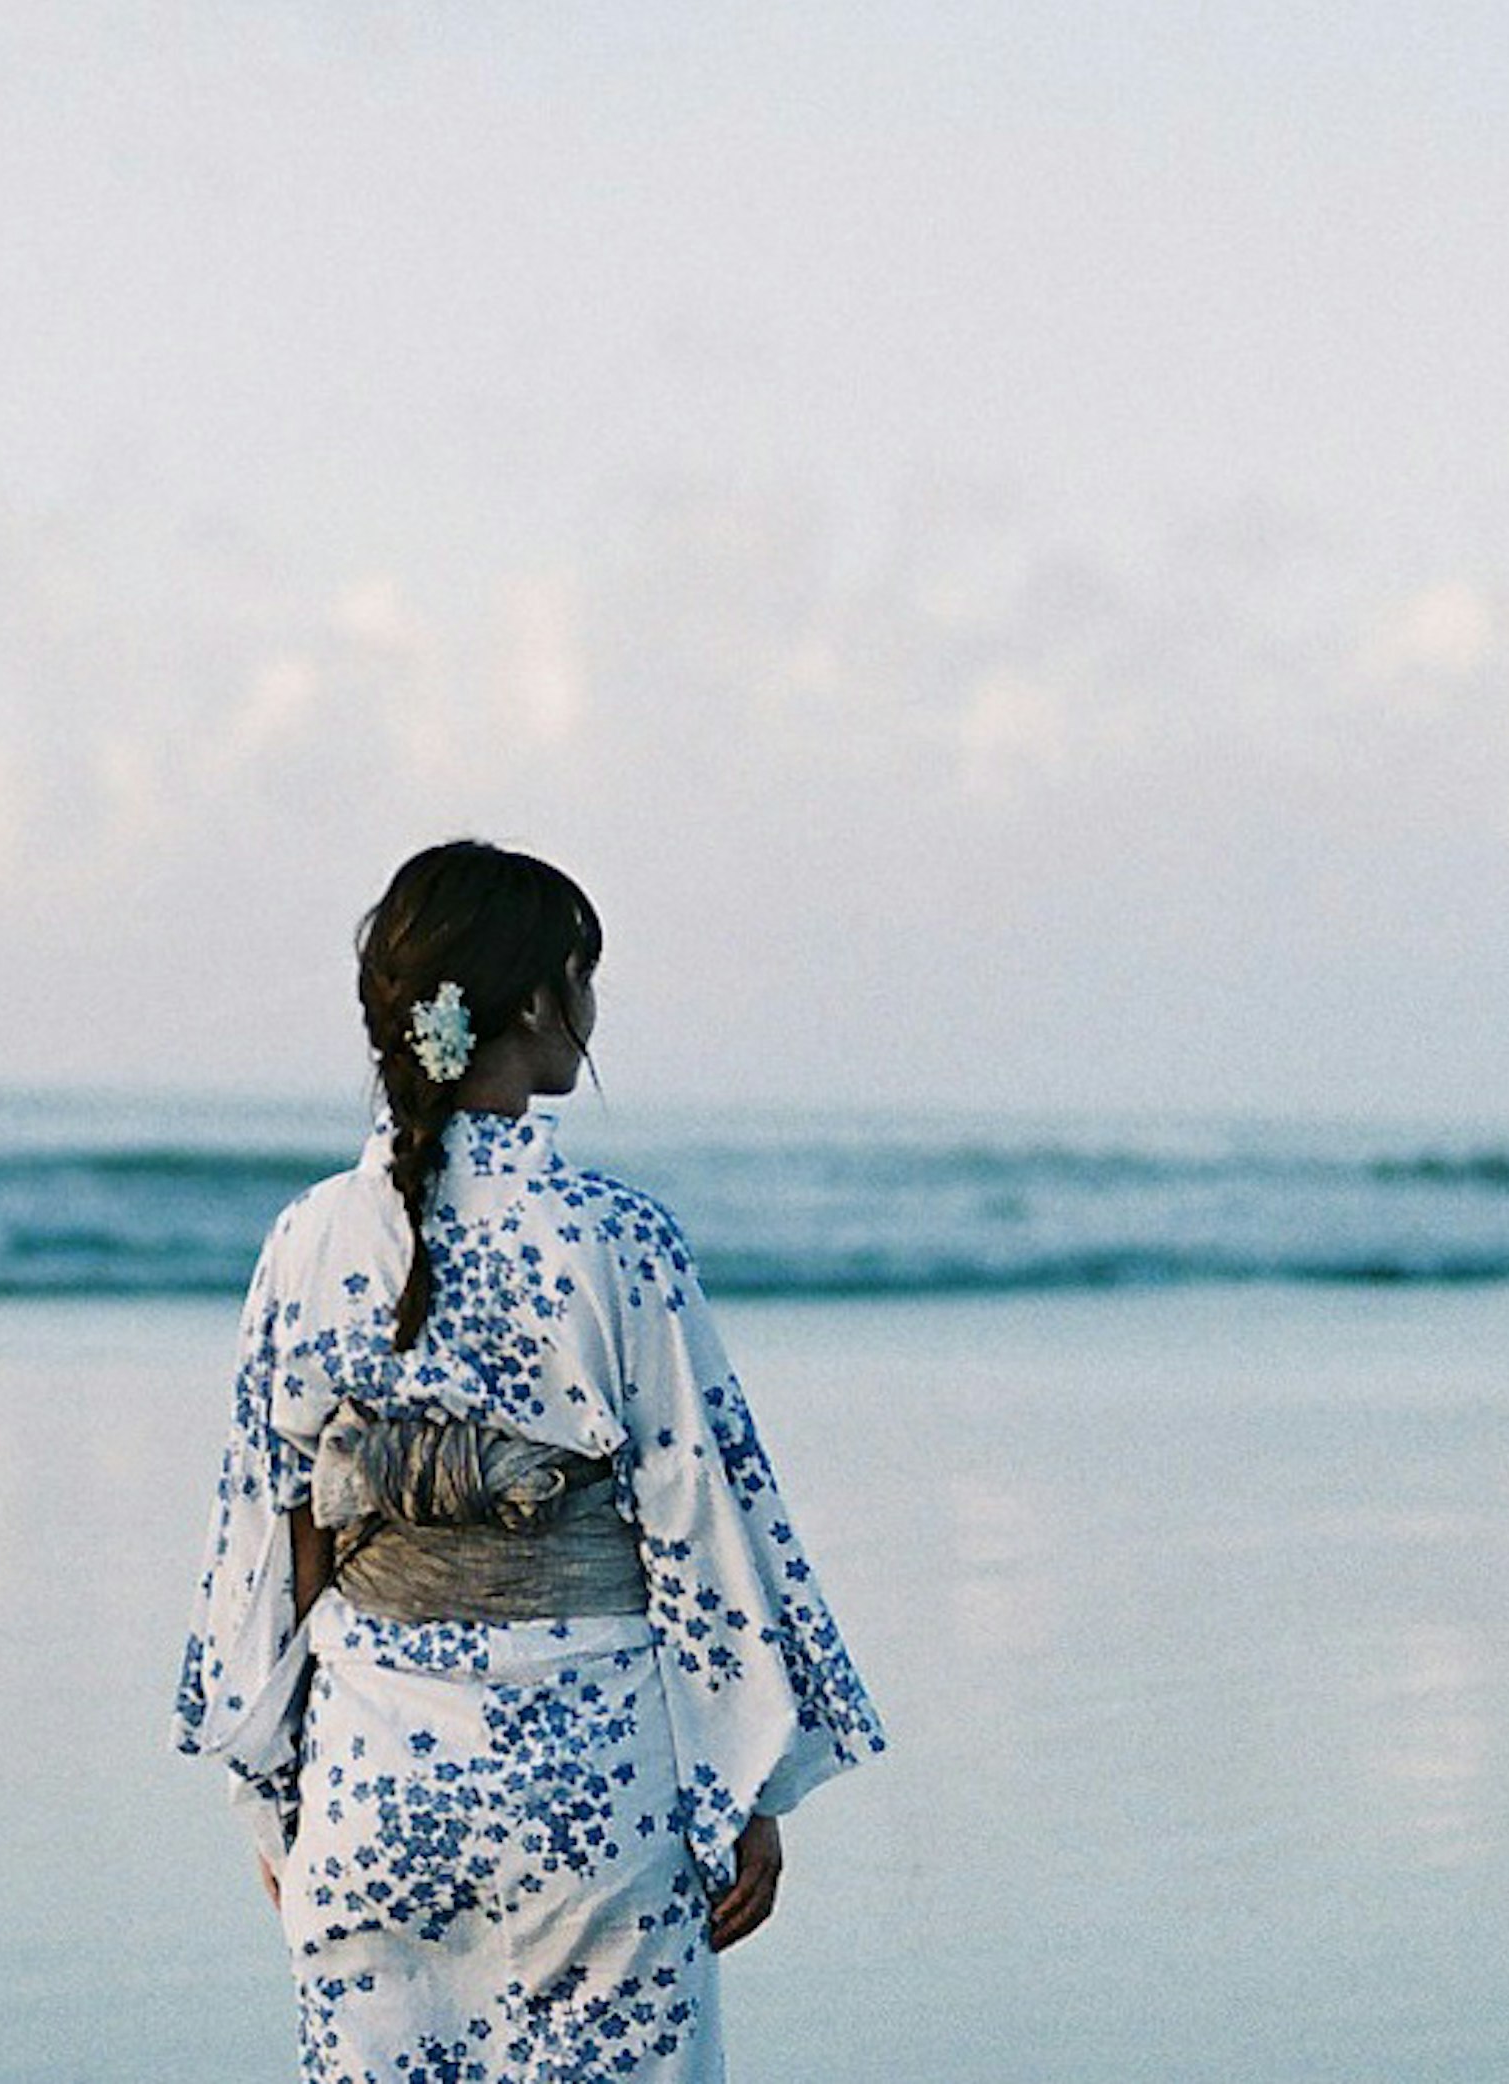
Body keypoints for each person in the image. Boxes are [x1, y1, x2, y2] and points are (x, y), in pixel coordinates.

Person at [177, 838, 885, 2083]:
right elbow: (702, 1519)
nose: (594, 1008)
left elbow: (270, 1530)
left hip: (374, 1774)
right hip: (586, 1784)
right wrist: (750, 1781)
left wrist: (275, 1786)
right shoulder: (613, 1236)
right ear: (531, 1001)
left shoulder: (306, 1237)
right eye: (584, 973)